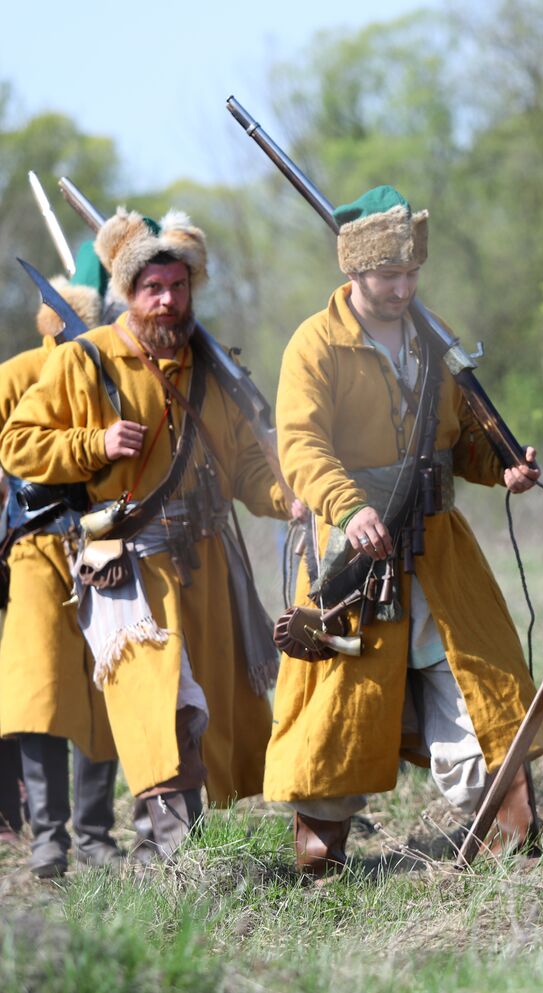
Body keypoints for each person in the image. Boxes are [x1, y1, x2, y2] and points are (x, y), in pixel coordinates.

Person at [265, 186, 543, 876]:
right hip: (353, 554)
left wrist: (500, 469)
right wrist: (346, 504)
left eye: (410, 273)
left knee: (473, 680)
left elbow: (459, 441)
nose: (402, 287)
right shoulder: (315, 344)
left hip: (439, 550)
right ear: (353, 272)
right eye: (387, 275)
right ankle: (320, 856)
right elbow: (300, 445)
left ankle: (508, 836)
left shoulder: (433, 338)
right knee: (340, 706)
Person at [0, 209, 292, 859]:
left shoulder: (209, 366)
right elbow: (18, 444)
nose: (167, 300)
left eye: (178, 286)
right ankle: (162, 854)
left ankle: (172, 850)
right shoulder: (85, 360)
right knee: (156, 708)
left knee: (204, 712)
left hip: (205, 561)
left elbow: (245, 462)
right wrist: (93, 442)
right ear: (128, 295)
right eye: (152, 288)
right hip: (128, 566)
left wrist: (288, 498)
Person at [0, 244, 122, 876]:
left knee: (109, 684)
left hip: (103, 542)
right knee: (38, 690)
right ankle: (50, 837)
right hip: (35, 545)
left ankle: (97, 832)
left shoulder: (115, 369)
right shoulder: (17, 373)